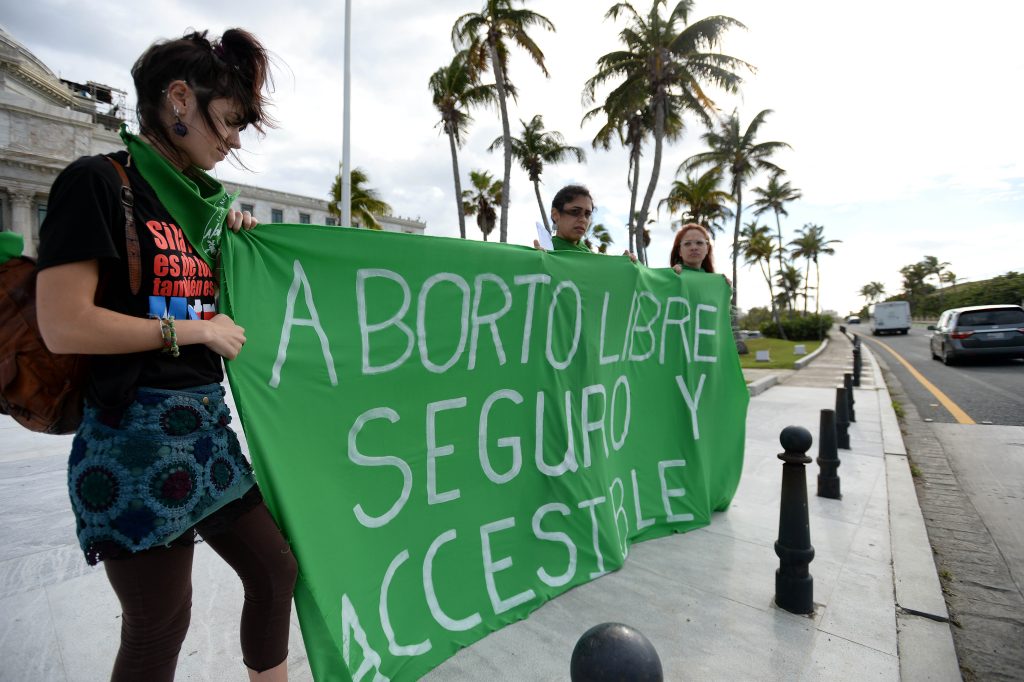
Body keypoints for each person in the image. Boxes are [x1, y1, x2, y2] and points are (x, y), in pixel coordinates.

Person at [35, 29, 297, 682]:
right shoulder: (96, 182)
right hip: (130, 440)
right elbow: (65, 324)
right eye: (230, 121)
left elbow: (190, 304)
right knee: (160, 624)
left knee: (275, 571)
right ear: (179, 99)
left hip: (205, 434)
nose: (234, 142)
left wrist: (227, 236)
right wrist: (195, 331)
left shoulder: (199, 209)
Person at [534, 184, 637, 260]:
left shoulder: (593, 258)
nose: (583, 219)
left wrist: (622, 267)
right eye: (575, 211)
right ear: (555, 215)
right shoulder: (547, 253)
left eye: (587, 214)